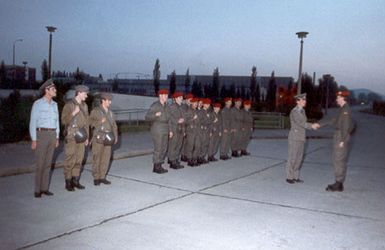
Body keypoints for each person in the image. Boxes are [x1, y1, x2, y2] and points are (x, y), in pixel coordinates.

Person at [29, 79, 59, 198]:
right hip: (41, 135)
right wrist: (34, 139)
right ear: (47, 90)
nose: (55, 91)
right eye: (53, 89)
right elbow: (33, 122)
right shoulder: (38, 104)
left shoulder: (55, 105)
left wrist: (57, 137)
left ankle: (45, 188)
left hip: (52, 135)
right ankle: (37, 190)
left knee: (48, 164)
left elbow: (57, 122)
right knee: (40, 164)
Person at [319, 91, 354, 192]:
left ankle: (338, 183)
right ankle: (339, 182)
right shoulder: (342, 109)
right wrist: (319, 124)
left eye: (338, 97)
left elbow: (347, 126)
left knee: (338, 160)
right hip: (339, 135)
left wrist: (343, 140)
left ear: (343, 98)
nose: (336, 99)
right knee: (337, 159)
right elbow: (333, 120)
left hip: (341, 136)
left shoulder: (345, 110)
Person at [285, 93, 319, 184]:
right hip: (294, 137)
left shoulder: (302, 111)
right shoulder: (294, 111)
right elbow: (301, 123)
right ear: (297, 101)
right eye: (303, 100)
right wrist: (312, 125)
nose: (305, 101)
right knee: (293, 157)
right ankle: (289, 177)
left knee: (299, 158)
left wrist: (311, 125)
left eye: (305, 100)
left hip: (301, 137)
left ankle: (295, 176)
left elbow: (303, 122)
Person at [61, 85, 89, 191]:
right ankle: (68, 182)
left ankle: (75, 180)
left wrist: (87, 137)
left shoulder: (85, 106)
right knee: (70, 159)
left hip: (81, 135)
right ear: (79, 93)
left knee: (79, 158)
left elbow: (86, 122)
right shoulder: (69, 105)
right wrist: (73, 113)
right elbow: (63, 120)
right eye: (85, 93)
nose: (86, 95)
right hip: (71, 135)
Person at [89, 92, 118, 185]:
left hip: (108, 138)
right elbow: (89, 122)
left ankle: (102, 176)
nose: (110, 102)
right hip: (98, 137)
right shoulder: (96, 111)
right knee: (97, 157)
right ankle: (96, 177)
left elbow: (114, 126)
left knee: (106, 158)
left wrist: (116, 136)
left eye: (110, 100)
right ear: (103, 100)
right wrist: (99, 122)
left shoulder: (111, 113)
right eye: (108, 100)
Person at [145, 89, 171, 174]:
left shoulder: (167, 106)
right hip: (157, 128)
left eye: (167, 95)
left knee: (164, 147)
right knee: (158, 147)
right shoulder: (155, 105)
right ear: (160, 96)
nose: (166, 97)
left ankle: (160, 164)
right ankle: (156, 166)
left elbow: (169, 119)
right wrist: (155, 115)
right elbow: (147, 117)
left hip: (165, 128)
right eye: (164, 95)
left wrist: (170, 130)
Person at [168, 92, 185, 169]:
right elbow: (169, 118)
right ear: (175, 99)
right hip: (174, 129)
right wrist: (177, 121)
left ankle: (175, 159)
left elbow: (183, 119)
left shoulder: (181, 107)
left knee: (178, 146)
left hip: (180, 129)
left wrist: (184, 130)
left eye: (181, 97)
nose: (181, 99)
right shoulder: (172, 107)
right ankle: (172, 162)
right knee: (173, 146)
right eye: (180, 97)